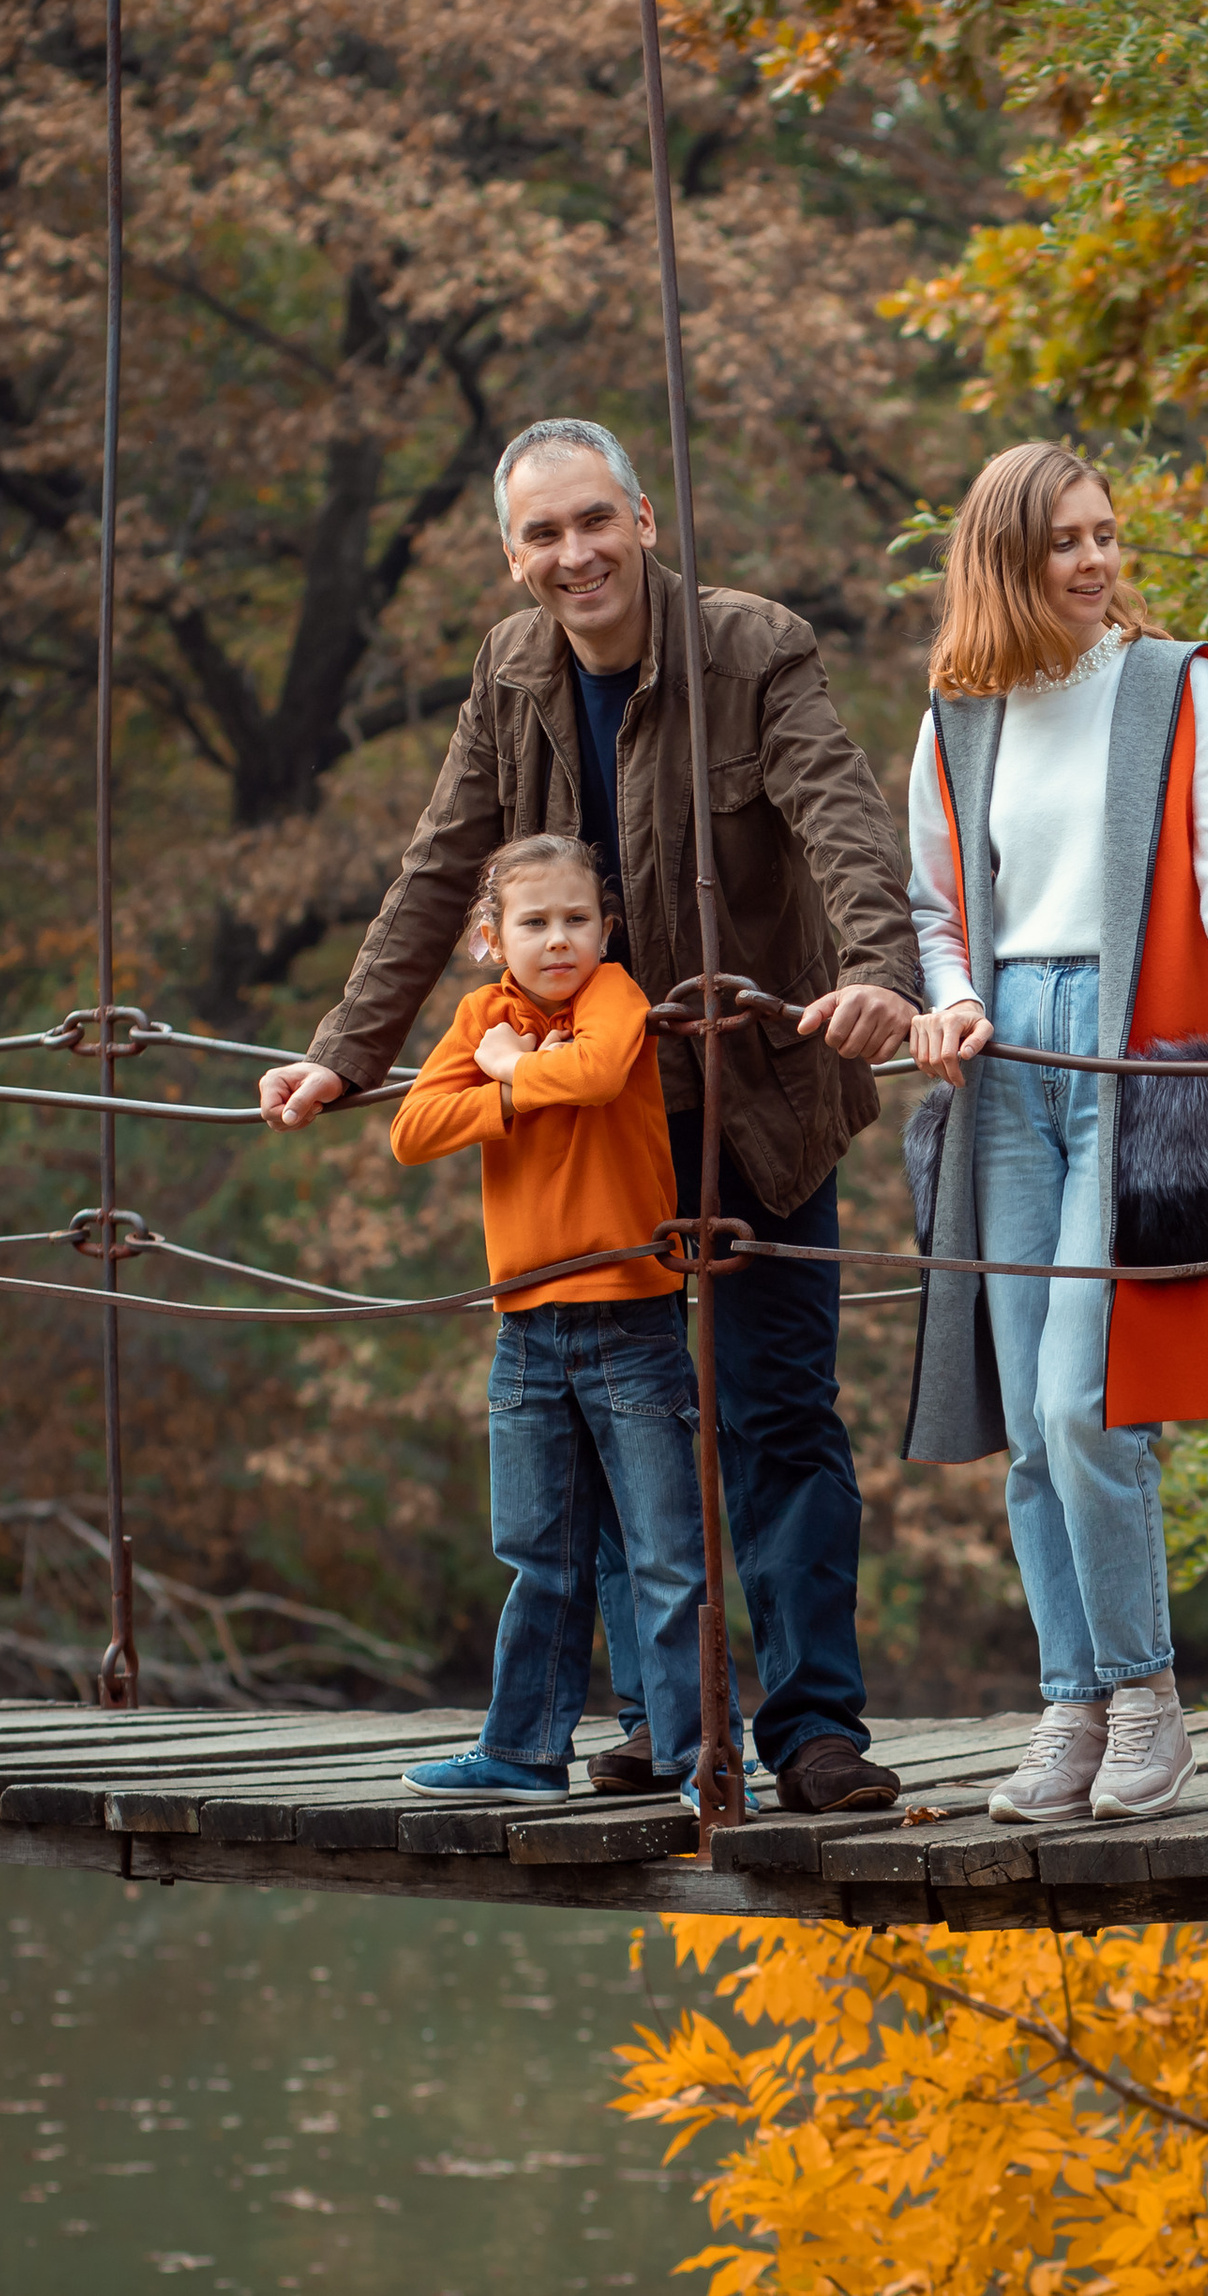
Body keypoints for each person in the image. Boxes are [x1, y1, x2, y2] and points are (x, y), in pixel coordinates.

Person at [259, 419, 921, 1817]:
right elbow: (443, 866)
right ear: (514, 558)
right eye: (544, 536)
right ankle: (666, 1721)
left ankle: (812, 1731)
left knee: (778, 1409)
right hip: (596, 1120)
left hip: (756, 1103)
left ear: (642, 517)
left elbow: (844, 823)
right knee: (619, 1425)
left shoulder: (753, 650)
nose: (576, 555)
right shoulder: (512, 677)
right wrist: (344, 1053)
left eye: (593, 522)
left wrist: (877, 979)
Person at [905, 441, 1208, 1825]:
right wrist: (952, 999)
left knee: (1088, 1399)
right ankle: (1067, 1705)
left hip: (1136, 1054)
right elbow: (935, 907)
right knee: (1025, 1422)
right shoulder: (960, 709)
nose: (1095, 561)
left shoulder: (1173, 685)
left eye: (1106, 535)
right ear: (1005, 560)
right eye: (1065, 541)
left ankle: (1146, 1698)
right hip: (1008, 1060)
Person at [390, 836, 730, 1806]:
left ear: (605, 929)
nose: (558, 940)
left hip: (631, 1316)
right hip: (527, 1326)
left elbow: (593, 1075)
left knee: (665, 1550)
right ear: (490, 938)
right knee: (538, 1550)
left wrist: (506, 1075)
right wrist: (501, 1077)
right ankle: (523, 1750)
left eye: (577, 919)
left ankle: (700, 1756)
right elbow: (412, 1130)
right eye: (534, 923)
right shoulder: (478, 1015)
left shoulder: (613, 997)